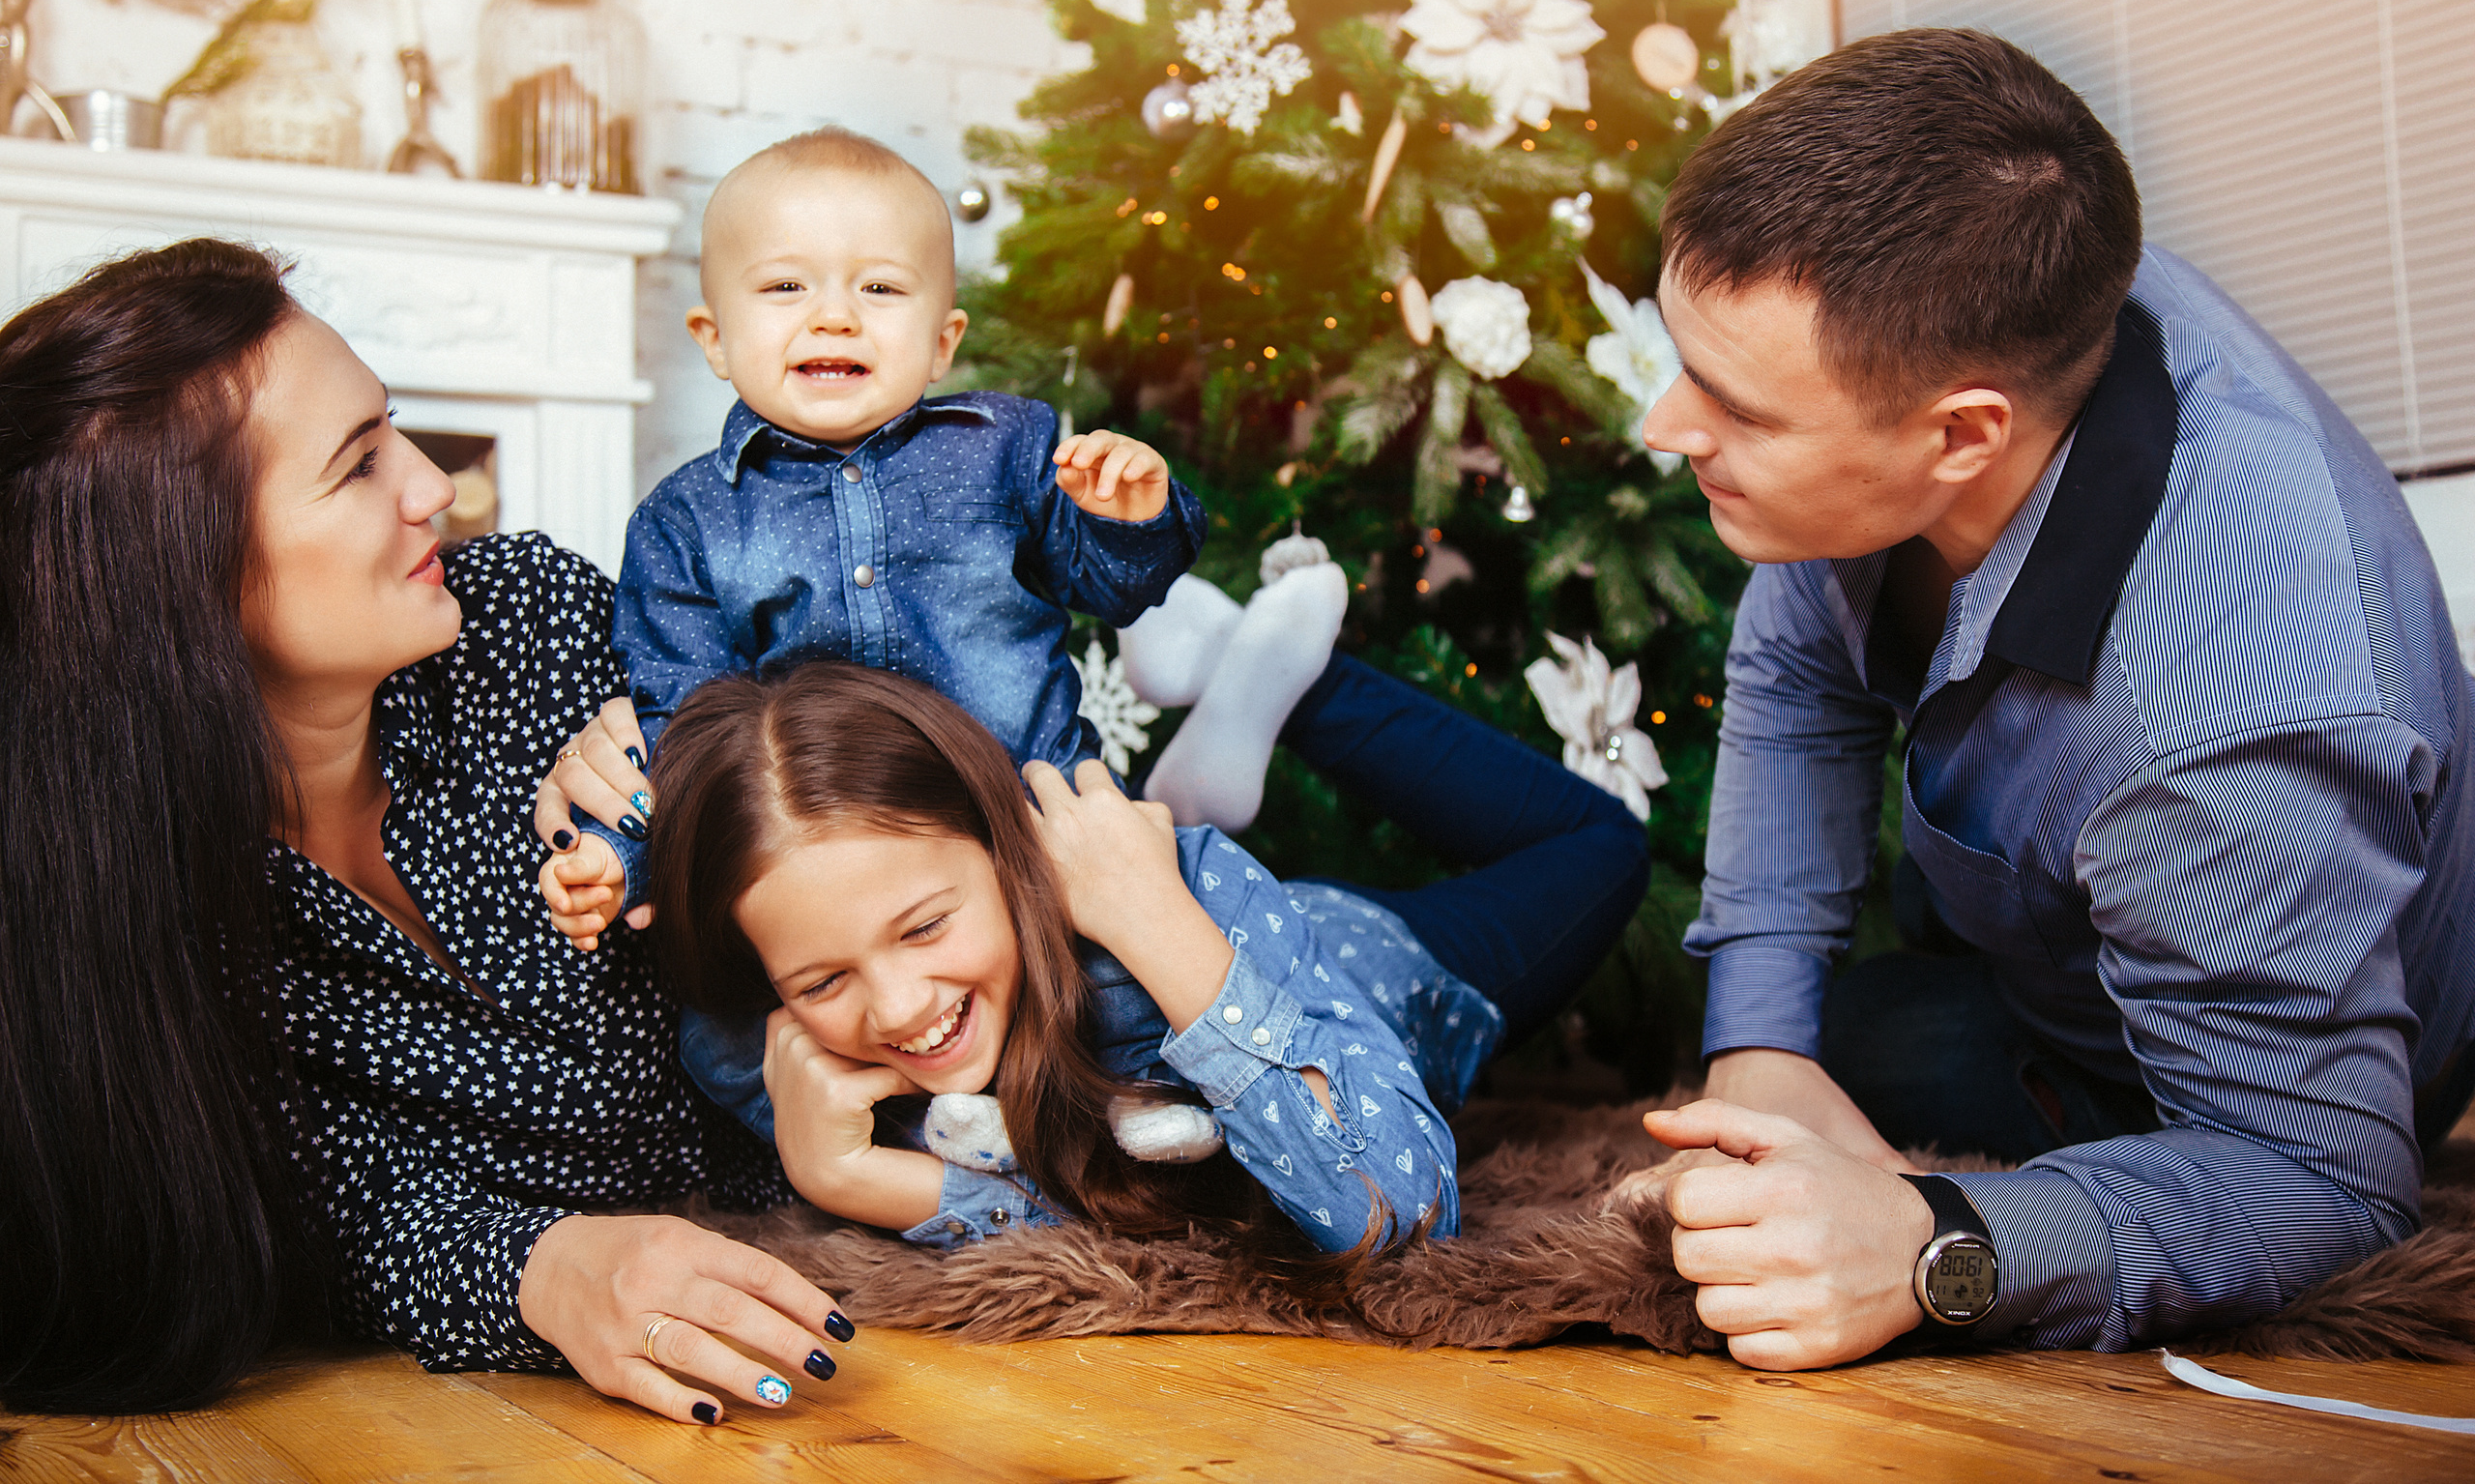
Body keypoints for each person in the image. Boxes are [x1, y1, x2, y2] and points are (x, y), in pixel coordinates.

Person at [1634, 28, 2475, 1369]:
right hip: (2045, 936)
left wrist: (1935, 1241)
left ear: (1963, 434)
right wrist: (1759, 1048)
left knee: (1836, 1103)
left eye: (1736, 407)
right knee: (1794, 1054)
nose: (1666, 426)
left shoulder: (2225, 726)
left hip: (2218, 1069)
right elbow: (1798, 666)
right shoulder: (1993, 298)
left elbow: (2330, 1178)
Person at [0, 239, 856, 1423]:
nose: (432, 487)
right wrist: (536, 1269)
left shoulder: (526, 621)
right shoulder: (109, 906)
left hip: (880, 1243)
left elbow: (852, 772)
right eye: (357, 468)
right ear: (183, 586)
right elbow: (287, 1206)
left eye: (391, 426)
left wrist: (712, 731)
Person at [542, 643, 1649, 1259]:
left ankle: (1284, 671)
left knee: (1602, 845)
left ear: (1008, 854)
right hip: (1233, 922)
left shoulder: (1180, 893)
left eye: (925, 925)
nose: (895, 1007)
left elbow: (1392, 1208)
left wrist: (1157, 918)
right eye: (822, 977)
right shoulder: (772, 1052)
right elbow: (1111, 1217)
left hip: (1383, 961)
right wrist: (845, 1173)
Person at [540, 126, 1315, 944]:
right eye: (785, 288)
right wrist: (622, 856)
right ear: (715, 339)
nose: (834, 316)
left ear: (944, 342)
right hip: (840, 884)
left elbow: (1115, 591)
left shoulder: (1003, 447)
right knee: (740, 1042)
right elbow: (682, 727)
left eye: (878, 289)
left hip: (1046, 842)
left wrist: (1127, 519)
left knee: (1197, 946)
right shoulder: (685, 520)